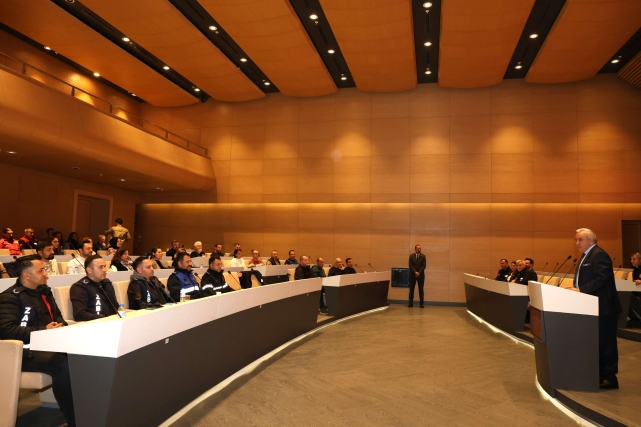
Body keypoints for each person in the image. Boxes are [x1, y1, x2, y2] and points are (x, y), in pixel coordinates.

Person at [0, 255, 76, 426]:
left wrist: (59, 326)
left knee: (86, 355)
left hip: (47, 346)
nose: (45, 273)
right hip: (22, 353)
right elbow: (6, 330)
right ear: (26, 275)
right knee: (62, 363)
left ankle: (93, 410)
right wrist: (43, 331)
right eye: (41, 270)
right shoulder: (9, 297)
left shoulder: (45, 292)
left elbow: (59, 318)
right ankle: (76, 421)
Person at [567, 228, 622, 389]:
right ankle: (597, 375)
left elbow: (602, 278)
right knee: (595, 343)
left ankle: (610, 378)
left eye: (580, 239)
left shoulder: (599, 255)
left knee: (605, 343)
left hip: (604, 308)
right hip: (591, 306)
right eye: (576, 240)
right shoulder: (586, 256)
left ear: (591, 240)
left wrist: (580, 289)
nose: (577, 243)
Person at [70, 255, 119, 321]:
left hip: (113, 321)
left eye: (104, 266)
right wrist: (102, 318)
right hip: (95, 323)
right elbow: (79, 315)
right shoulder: (79, 287)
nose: (104, 270)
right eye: (100, 267)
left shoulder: (106, 283)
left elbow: (115, 307)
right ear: (89, 270)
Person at [627, 252, 641, 328]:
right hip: (636, 292)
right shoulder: (635, 270)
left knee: (632, 299)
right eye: (631, 259)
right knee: (625, 299)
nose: (631, 261)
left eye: (634, 259)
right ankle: (635, 319)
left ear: (640, 260)